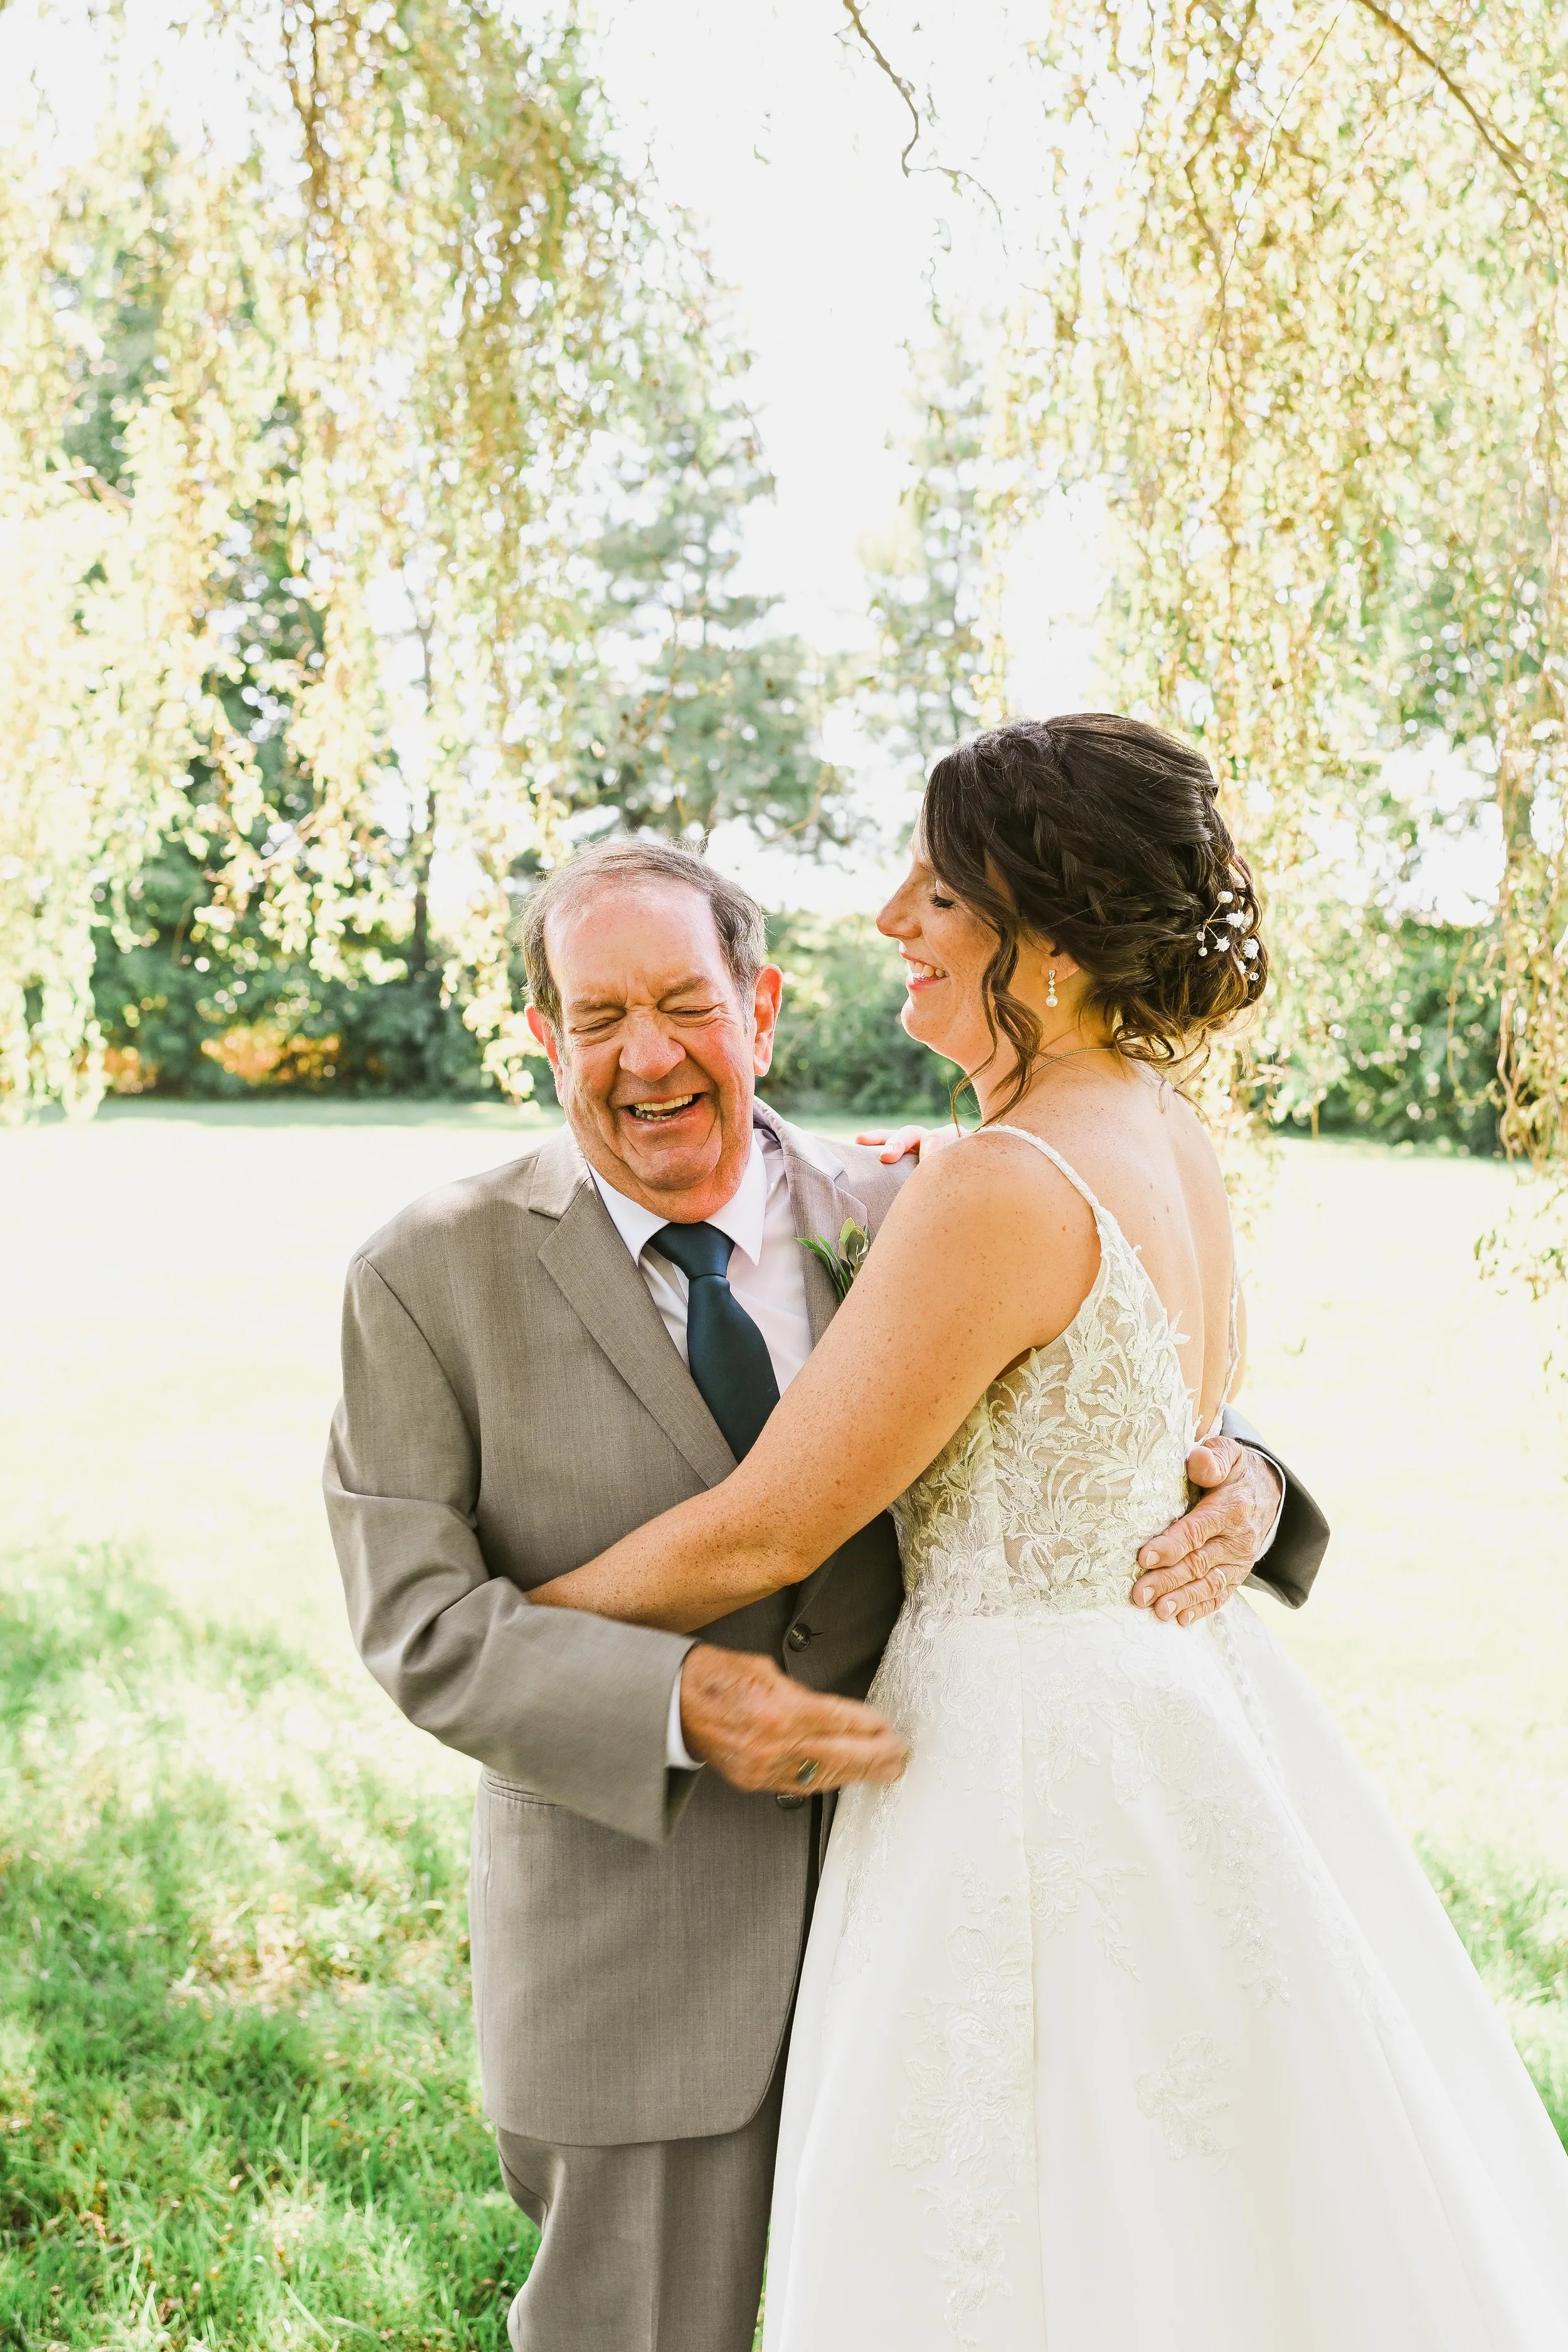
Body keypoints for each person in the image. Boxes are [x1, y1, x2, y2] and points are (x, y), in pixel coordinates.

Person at [529, 719, 1568, 2352]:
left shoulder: (1001, 1187)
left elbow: (773, 1524)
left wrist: (492, 1611)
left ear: (1054, 942)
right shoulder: (1159, 1134)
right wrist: (1245, 1473)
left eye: (938, 891)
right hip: (1181, 1706)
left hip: (1012, 1762)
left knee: (1004, 2198)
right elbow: (1175, 1416)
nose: (886, 914)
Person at [324, 826, 1325, 2352]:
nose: (643, 1058)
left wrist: (1245, 1477)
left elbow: (1116, 1366)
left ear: (764, 1010)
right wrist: (663, 1701)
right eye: (595, 1021)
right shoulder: (427, 1273)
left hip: (962, 1918)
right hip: (639, 1949)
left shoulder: (915, 1208)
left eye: (683, 1006)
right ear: (543, 1039)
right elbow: (418, 1627)